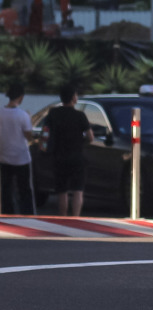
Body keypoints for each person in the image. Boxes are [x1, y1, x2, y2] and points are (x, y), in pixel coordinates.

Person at [44, 86, 94, 217]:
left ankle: (63, 217)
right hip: (77, 156)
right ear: (73, 98)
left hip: (59, 156)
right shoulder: (80, 115)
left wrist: (43, 147)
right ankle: (76, 217)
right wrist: (82, 142)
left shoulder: (53, 113)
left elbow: (45, 133)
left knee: (62, 191)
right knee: (78, 190)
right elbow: (90, 137)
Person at [0, 82, 36, 215]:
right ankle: (27, 214)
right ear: (21, 97)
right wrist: (30, 121)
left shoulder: (1, 113)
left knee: (6, 189)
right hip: (21, 158)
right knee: (25, 189)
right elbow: (29, 136)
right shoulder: (23, 115)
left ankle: (7, 213)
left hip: (4, 156)